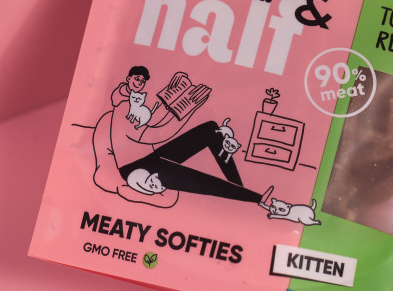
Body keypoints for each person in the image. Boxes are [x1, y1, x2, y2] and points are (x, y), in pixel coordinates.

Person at [92, 67, 265, 208]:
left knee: (211, 129)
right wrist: (182, 110)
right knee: (199, 180)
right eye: (137, 79)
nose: (140, 84)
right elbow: (150, 137)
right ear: (128, 79)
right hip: (135, 168)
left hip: (148, 158)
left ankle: (239, 187)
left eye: (142, 81)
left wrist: (177, 107)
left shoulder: (133, 104)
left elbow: (154, 127)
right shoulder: (123, 108)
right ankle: (254, 198)